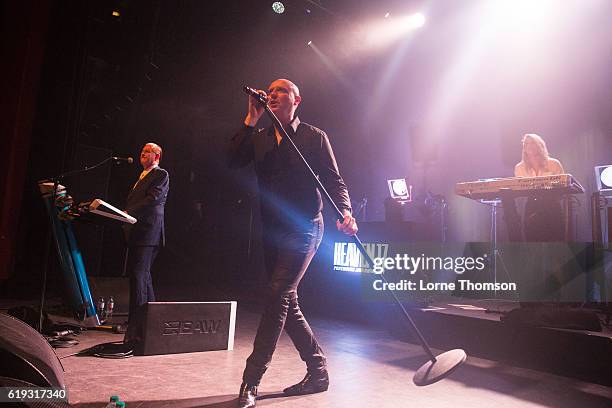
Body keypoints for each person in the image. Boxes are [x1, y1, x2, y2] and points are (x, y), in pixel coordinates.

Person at [228, 79, 357, 408]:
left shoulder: (314, 137)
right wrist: (251, 118)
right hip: (272, 230)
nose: (272, 94)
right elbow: (232, 159)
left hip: (305, 227)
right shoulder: (259, 138)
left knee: (277, 295)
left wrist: (346, 212)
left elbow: (333, 179)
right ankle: (318, 371)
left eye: (281, 91)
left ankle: (251, 380)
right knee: (287, 302)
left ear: (297, 99)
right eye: (269, 92)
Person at [122, 142, 169, 347]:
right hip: (137, 233)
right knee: (144, 277)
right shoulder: (141, 177)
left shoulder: (161, 175)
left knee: (139, 276)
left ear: (157, 156)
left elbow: (153, 199)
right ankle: (151, 326)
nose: (143, 152)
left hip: (148, 233)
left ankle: (137, 330)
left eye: (148, 150)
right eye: (142, 149)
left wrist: (127, 213)